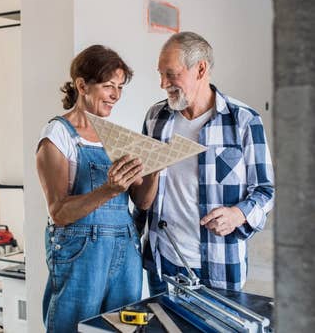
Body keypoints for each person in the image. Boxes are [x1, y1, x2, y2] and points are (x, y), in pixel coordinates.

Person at [131, 31, 275, 295]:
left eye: (171, 74)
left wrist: (238, 214)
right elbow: (142, 185)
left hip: (219, 266)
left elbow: (265, 191)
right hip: (162, 264)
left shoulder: (243, 120)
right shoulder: (155, 118)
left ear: (200, 69)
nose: (163, 83)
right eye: (160, 74)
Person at [36, 45, 144, 332]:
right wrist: (108, 190)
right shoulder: (57, 136)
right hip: (81, 251)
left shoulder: (117, 136)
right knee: (74, 328)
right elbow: (59, 212)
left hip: (126, 247)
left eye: (120, 87)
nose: (116, 96)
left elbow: (142, 203)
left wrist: (157, 167)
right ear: (82, 85)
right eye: (109, 86)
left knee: (124, 328)